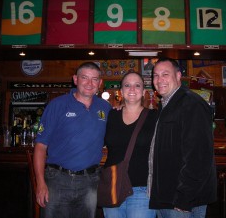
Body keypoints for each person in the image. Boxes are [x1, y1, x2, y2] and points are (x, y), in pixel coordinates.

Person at [33, 62, 112, 218]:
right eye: (84, 78)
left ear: (100, 83)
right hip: (57, 180)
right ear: (75, 79)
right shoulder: (57, 105)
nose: (89, 83)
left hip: (90, 182)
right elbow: (41, 146)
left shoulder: (106, 108)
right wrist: (40, 183)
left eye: (94, 79)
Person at [148, 58, 217, 218]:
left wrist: (185, 198)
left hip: (182, 201)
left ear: (178, 76)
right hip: (167, 196)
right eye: (156, 75)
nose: (159, 80)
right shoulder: (166, 105)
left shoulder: (191, 103)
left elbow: (198, 157)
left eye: (165, 74)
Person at [103, 71, 157, 218]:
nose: (132, 89)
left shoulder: (155, 117)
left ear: (144, 91)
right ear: (121, 91)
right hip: (113, 186)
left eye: (137, 85)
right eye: (127, 85)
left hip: (142, 189)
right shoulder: (111, 115)